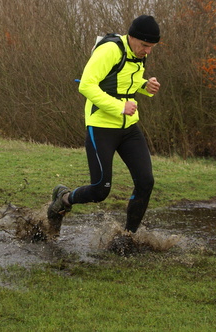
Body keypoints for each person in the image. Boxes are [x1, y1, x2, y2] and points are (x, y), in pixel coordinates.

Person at [47, 15, 161, 234]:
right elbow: (87, 86)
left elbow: (124, 79)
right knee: (100, 190)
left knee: (146, 182)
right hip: (101, 126)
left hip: (128, 128)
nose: (148, 51)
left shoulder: (137, 53)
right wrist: (119, 107)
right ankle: (63, 199)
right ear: (132, 37)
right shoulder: (109, 50)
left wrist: (146, 85)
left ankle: (128, 237)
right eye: (145, 46)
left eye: (152, 47)